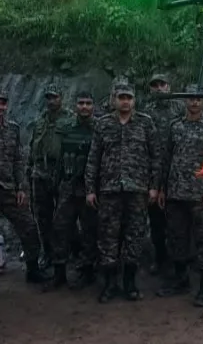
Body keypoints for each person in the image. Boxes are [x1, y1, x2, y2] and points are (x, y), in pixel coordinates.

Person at [85, 83, 161, 303]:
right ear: (113, 99)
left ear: (134, 100)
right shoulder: (103, 124)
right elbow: (93, 159)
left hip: (137, 191)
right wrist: (90, 189)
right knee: (108, 238)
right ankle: (110, 284)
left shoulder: (146, 123)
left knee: (134, 237)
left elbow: (155, 156)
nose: (125, 101)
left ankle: (130, 283)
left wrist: (154, 186)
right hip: (109, 191)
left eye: (128, 97)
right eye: (121, 97)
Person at [0, 88, 47, 296]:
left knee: (29, 227)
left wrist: (21, 187)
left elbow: (18, 159)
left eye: (3, 103)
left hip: (8, 189)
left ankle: (32, 268)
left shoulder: (13, 129)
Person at [155, 84, 203, 306]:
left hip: (200, 194)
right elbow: (166, 159)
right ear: (185, 101)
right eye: (191, 98)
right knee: (177, 239)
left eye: (199, 99)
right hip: (175, 193)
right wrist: (162, 188)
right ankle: (181, 280)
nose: (194, 102)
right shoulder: (175, 126)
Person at [46, 90, 97, 291]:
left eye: (88, 103)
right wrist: (56, 183)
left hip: (89, 188)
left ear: (93, 106)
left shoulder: (100, 129)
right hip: (68, 186)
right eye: (81, 103)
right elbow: (59, 158)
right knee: (60, 228)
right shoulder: (65, 128)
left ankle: (87, 271)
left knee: (89, 231)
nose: (84, 107)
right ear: (75, 105)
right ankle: (59, 272)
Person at [139, 74, 185, 277]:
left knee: (178, 222)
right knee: (156, 221)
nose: (159, 88)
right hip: (153, 171)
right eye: (154, 85)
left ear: (169, 86)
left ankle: (181, 262)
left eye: (162, 84)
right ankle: (160, 259)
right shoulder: (146, 112)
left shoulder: (181, 108)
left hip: (178, 170)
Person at [28, 85, 69, 270]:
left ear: (62, 98)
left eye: (55, 97)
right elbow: (32, 146)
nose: (51, 101)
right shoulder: (40, 121)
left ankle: (65, 253)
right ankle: (47, 253)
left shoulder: (70, 120)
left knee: (62, 218)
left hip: (60, 172)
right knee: (42, 216)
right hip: (39, 172)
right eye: (49, 98)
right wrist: (30, 168)